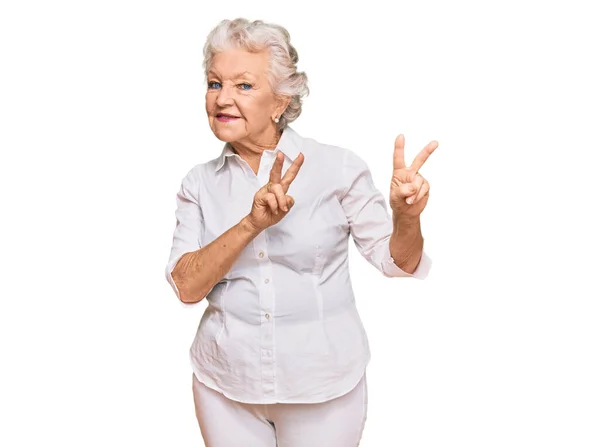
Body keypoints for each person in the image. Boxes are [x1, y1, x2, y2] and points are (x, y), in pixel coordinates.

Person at [164, 17, 437, 447]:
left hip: (324, 388)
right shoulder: (199, 183)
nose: (222, 98)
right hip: (226, 385)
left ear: (280, 101)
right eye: (215, 83)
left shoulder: (337, 168)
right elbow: (186, 286)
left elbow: (397, 263)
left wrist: (407, 217)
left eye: (244, 86)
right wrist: (251, 224)